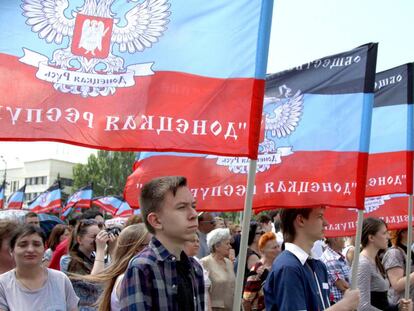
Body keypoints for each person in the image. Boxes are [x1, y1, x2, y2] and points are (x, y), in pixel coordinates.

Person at [119, 176, 205, 311]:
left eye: (193, 206)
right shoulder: (142, 267)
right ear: (156, 221)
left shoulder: (195, 268)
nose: (194, 214)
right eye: (182, 207)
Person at [264, 207, 360, 311]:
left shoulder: (319, 265)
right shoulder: (288, 267)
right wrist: (344, 305)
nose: (326, 223)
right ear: (301, 220)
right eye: (320, 216)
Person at [0, 224, 79, 310]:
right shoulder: (3, 284)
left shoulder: (61, 279)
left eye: (36, 244)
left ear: (44, 248)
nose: (30, 250)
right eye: (23, 245)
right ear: (12, 250)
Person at [73, 224, 151, 311]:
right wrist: (100, 249)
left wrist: (113, 249)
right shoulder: (69, 261)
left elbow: (118, 267)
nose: (98, 239)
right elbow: (96, 282)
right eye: (94, 236)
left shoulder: (96, 258)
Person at [355, 217, 411, 311]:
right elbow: (363, 307)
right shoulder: (363, 264)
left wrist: (397, 307)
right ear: (371, 237)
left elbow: (382, 304)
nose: (388, 237)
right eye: (384, 233)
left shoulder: (374, 260)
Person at [243, 232, 281, 311]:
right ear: (263, 251)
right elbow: (246, 301)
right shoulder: (257, 271)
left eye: (278, 246)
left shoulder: (278, 266)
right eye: (274, 248)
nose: (278, 250)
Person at [201, 228, 235, 311]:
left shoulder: (229, 263)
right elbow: (203, 291)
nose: (230, 246)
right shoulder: (204, 262)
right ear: (216, 246)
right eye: (227, 244)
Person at [383, 229, 414, 304]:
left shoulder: (408, 250)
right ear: (403, 233)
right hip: (400, 303)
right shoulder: (394, 253)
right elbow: (397, 285)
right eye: (413, 229)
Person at [184, 233, 212, 311]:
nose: (197, 244)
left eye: (198, 241)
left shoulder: (197, 262)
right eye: (193, 241)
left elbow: (206, 291)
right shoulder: (177, 262)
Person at [320, 237, 350, 304]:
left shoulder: (335, 256)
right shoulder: (331, 259)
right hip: (340, 303)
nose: (344, 240)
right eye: (342, 238)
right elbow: (343, 286)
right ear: (335, 239)